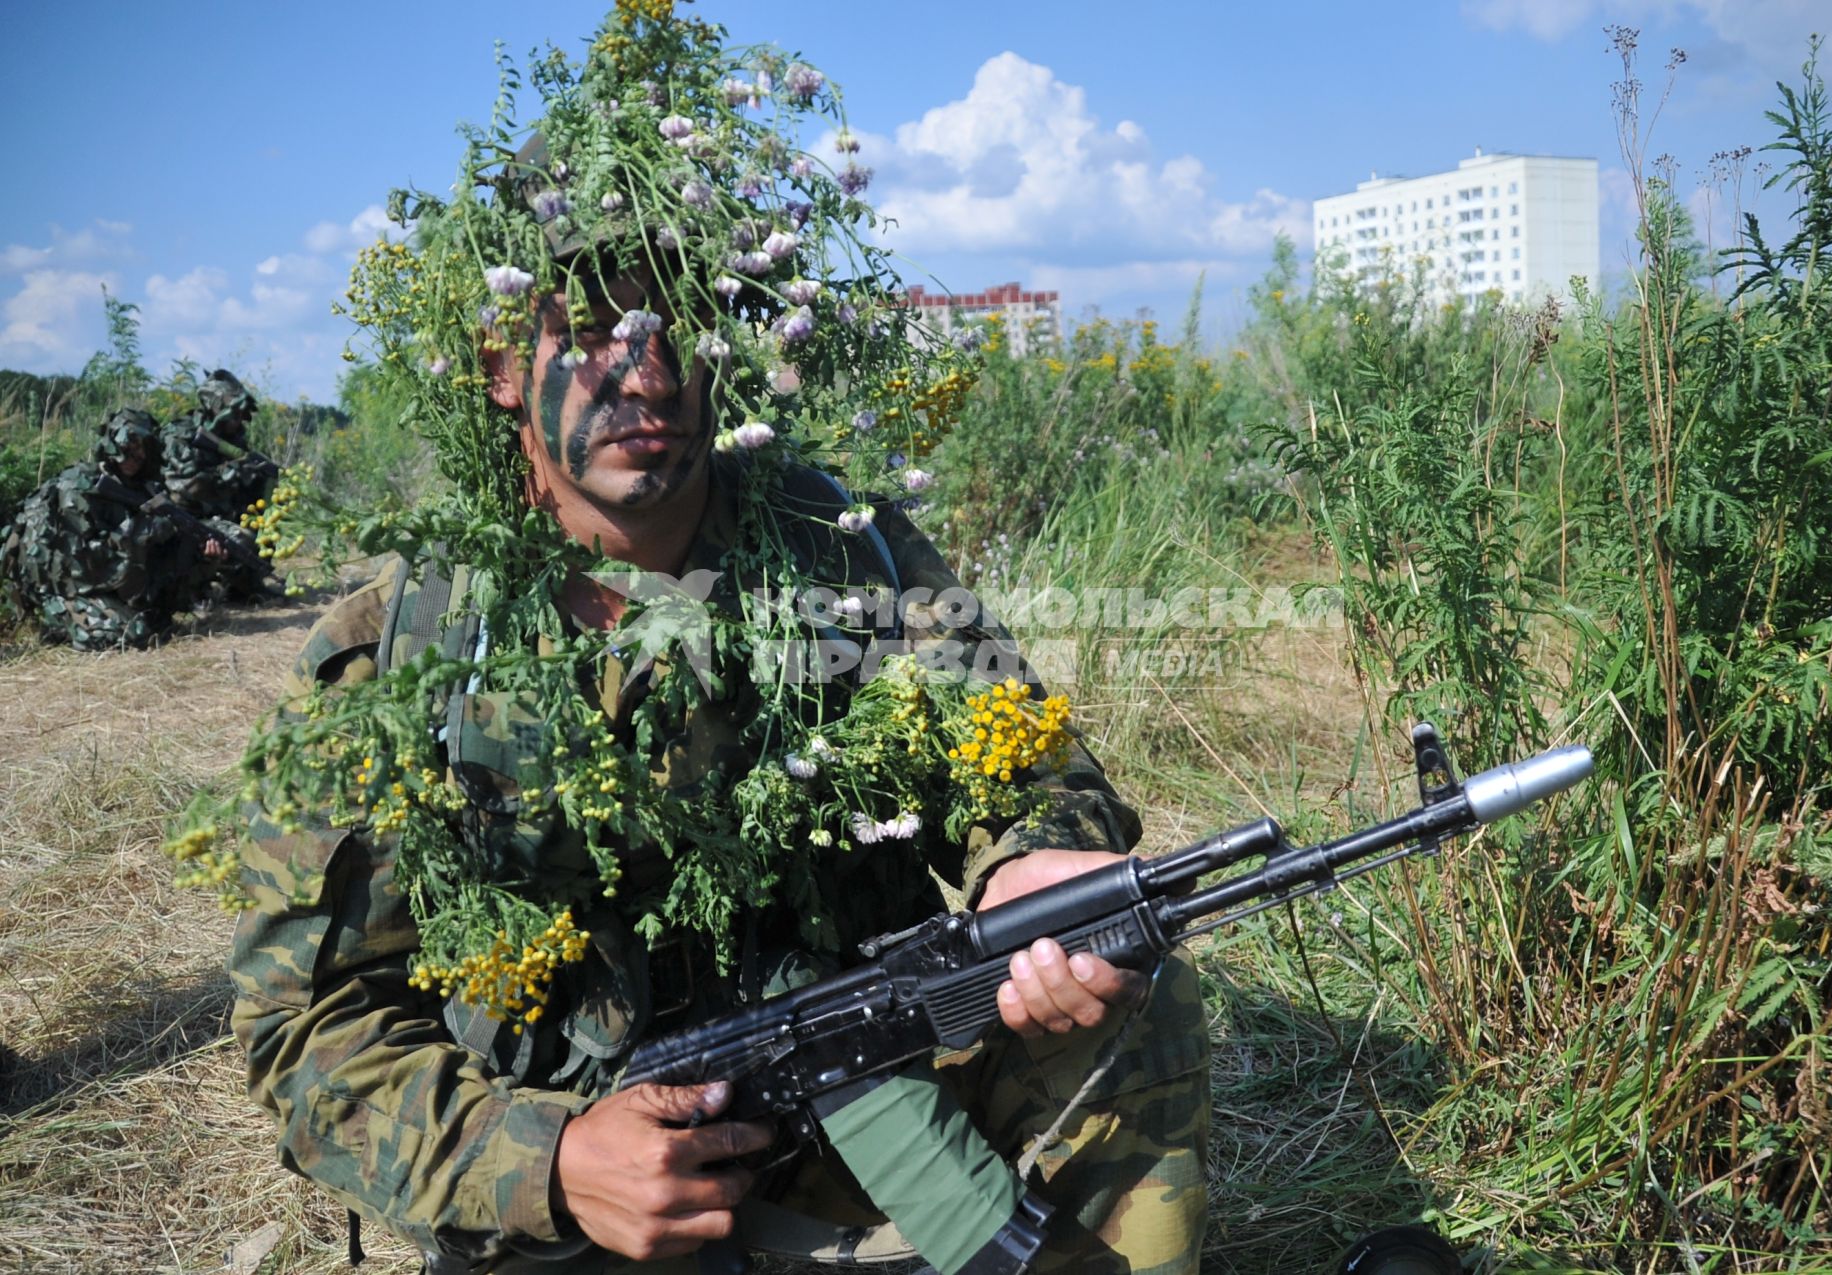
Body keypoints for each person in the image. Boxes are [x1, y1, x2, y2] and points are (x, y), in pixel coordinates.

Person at [220, 7, 1207, 1273]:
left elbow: (1038, 771)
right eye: (586, 329)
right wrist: (554, 1164)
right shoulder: (409, 651)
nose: (640, 368)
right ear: (504, 366)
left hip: (865, 1088)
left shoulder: (851, 551)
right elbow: (307, 1026)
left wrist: (1035, 863)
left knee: (1134, 978)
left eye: (677, 320)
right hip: (590, 1173)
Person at [0, 408, 219, 650]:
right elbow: (78, 569)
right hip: (67, 588)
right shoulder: (77, 488)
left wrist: (204, 558)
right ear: (111, 445)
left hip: (111, 585)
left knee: (158, 620)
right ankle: (55, 624)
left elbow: (165, 563)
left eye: (140, 448)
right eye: (127, 447)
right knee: (133, 635)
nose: (132, 456)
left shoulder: (147, 490)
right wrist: (137, 533)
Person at [159, 368, 280, 601]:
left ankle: (247, 585)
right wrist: (234, 470)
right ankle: (191, 593)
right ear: (214, 407)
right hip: (183, 520)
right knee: (240, 539)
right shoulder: (181, 434)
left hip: (218, 514)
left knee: (269, 511)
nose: (237, 422)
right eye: (233, 415)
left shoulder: (231, 439)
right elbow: (185, 487)